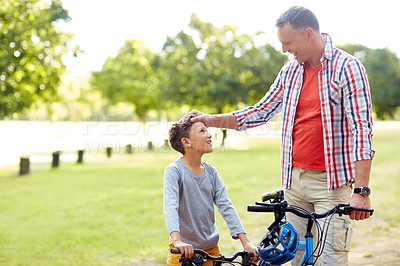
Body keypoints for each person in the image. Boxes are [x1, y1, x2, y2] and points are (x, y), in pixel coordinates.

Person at [186, 6, 374, 265]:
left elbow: (361, 128)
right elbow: (260, 111)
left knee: (331, 258)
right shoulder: (290, 71)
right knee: (293, 258)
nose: (284, 50)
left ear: (308, 34)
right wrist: (210, 120)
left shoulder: (348, 68)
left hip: (330, 185)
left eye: (287, 43)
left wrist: (362, 191)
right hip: (293, 183)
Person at [164, 115, 257, 265]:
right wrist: (177, 241)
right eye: (202, 131)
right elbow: (170, 206)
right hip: (182, 251)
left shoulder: (211, 172)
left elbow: (226, 206)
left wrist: (245, 242)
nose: (209, 134)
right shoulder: (174, 171)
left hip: (211, 251)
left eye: (207, 130)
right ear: (186, 142)